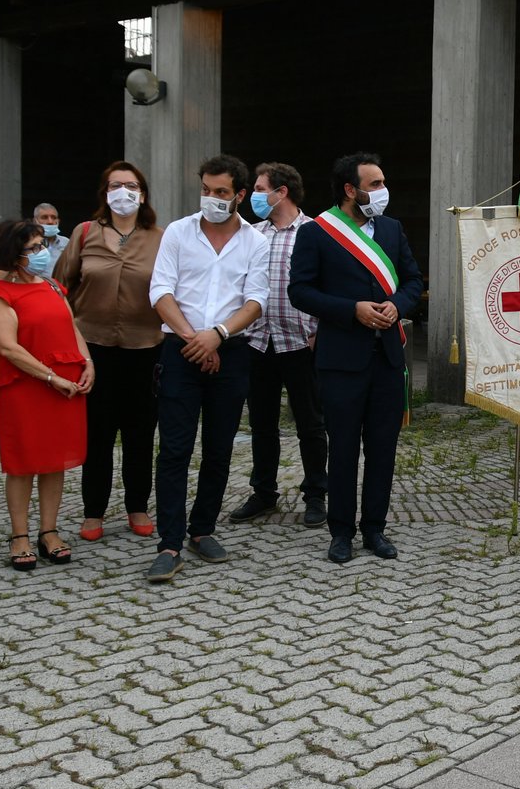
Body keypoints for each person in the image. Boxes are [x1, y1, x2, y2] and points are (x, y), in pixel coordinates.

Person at [288, 152, 423, 564]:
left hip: (386, 358)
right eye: (375, 184)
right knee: (343, 449)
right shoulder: (317, 232)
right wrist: (353, 309)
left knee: (383, 448)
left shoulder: (392, 228)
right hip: (340, 360)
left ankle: (375, 529)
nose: (383, 191)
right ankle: (341, 532)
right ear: (351, 189)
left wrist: (397, 306)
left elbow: (414, 279)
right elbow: (301, 291)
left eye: (383, 182)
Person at [145, 155, 269, 582]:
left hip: (231, 351)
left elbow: (256, 300)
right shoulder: (178, 232)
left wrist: (216, 334)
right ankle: (169, 543)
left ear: (239, 195)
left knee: (218, 448)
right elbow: (160, 290)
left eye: (221, 193)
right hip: (180, 349)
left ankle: (202, 530)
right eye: (206, 190)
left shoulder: (256, 241)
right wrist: (194, 338)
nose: (211, 199)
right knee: (175, 449)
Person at [53, 162, 165, 542]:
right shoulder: (84, 234)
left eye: (131, 185)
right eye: (115, 185)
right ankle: (93, 511)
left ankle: (138, 505)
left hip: (145, 348)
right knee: (97, 433)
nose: (123, 192)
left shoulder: (161, 238)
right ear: (104, 193)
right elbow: (59, 287)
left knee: (140, 431)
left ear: (143, 193)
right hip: (93, 349)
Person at [0, 220, 92, 570]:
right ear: (13, 255)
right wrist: (51, 377)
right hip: (27, 386)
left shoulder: (54, 286)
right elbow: (9, 349)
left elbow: (71, 327)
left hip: (66, 384)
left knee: (55, 459)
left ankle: (49, 531)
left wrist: (88, 363)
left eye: (43, 245)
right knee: (24, 462)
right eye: (33, 248)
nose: (42, 253)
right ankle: (20, 535)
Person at [227, 162, 329, 527]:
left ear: (281, 191)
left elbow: (326, 284)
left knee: (311, 423)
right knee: (262, 422)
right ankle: (263, 492)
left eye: (259, 187)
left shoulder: (315, 231)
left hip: (301, 341)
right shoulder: (252, 233)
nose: (254, 194)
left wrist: (319, 329)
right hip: (258, 341)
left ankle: (316, 494)